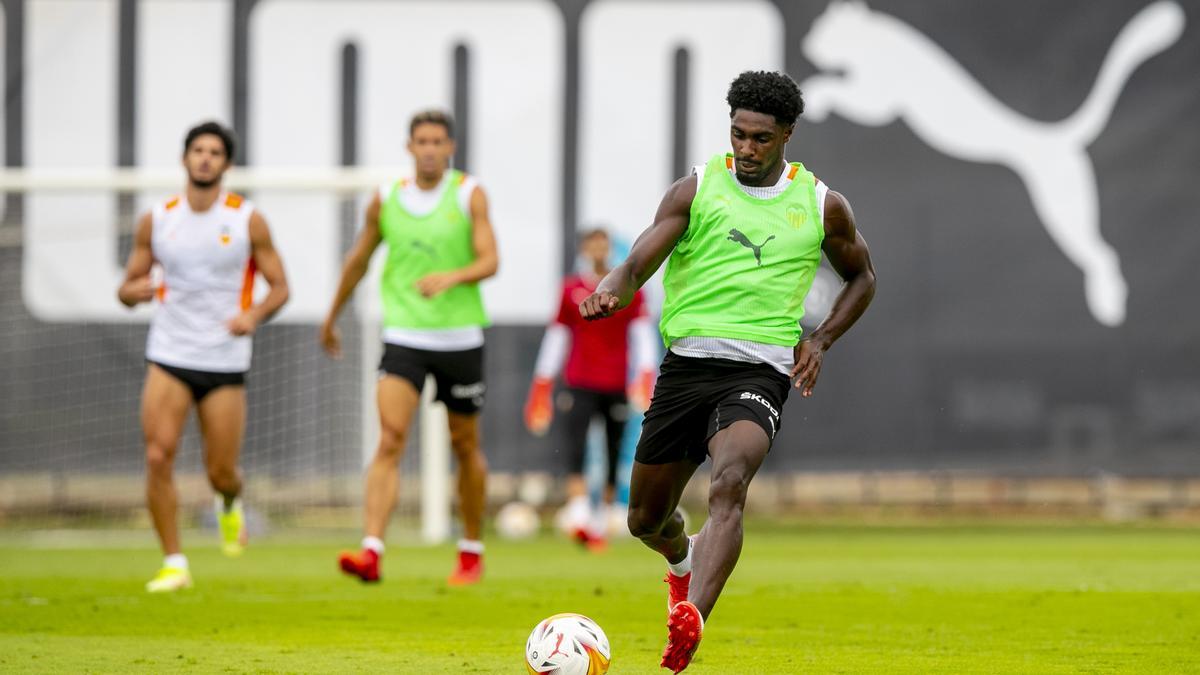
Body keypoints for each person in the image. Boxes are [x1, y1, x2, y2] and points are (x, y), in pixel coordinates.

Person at [579, 71, 876, 672]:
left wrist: (820, 339)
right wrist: (612, 287)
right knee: (643, 520)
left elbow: (863, 277)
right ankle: (681, 560)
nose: (745, 148)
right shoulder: (697, 189)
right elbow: (638, 259)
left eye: (760, 138)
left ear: (787, 134)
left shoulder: (822, 205)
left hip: (759, 372)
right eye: (738, 134)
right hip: (685, 369)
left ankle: (693, 616)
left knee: (729, 483)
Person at [321, 109, 499, 586]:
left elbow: (490, 259)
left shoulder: (467, 194)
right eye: (421, 140)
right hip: (403, 337)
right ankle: (372, 550)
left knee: (464, 445)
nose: (429, 149)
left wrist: (452, 276)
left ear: (450, 148)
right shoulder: (386, 199)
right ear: (409, 147)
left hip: (460, 338)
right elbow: (358, 259)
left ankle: (470, 548)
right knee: (390, 437)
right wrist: (331, 315)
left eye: (437, 141)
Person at [117, 121, 290, 593]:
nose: (206, 159)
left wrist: (252, 316)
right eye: (198, 150)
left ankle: (229, 504)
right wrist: (133, 291)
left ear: (227, 165)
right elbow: (128, 288)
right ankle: (174, 561)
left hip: (224, 359)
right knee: (157, 455)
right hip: (169, 353)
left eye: (215, 152)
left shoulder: (246, 219)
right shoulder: (159, 217)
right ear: (185, 158)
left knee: (222, 471)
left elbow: (280, 288)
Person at [524, 228, 658, 550]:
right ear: (585, 249)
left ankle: (604, 516)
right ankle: (580, 512)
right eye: (592, 244)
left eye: (603, 244)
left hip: (614, 382)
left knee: (613, 446)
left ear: (609, 249)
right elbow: (558, 336)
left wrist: (645, 375)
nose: (598, 250)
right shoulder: (571, 289)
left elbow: (641, 335)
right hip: (579, 380)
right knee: (576, 445)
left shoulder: (628, 290)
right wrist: (542, 383)